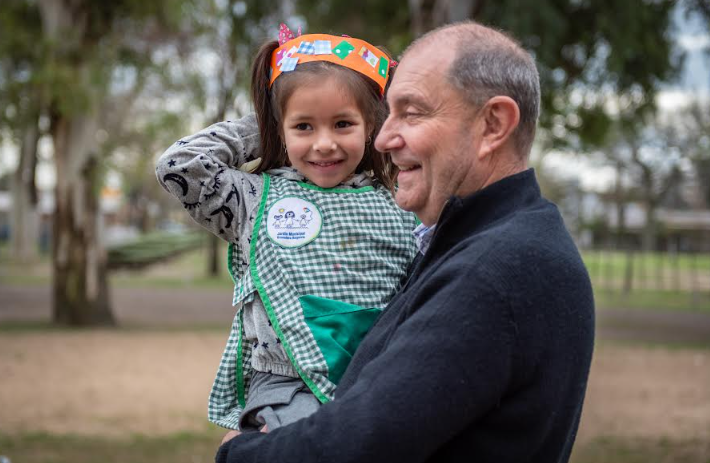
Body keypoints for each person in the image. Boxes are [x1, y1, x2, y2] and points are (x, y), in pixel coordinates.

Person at [215, 21, 595, 463]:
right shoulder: (486, 242)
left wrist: (241, 453)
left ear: (493, 124)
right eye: (388, 113)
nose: (383, 138)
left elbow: (362, 443)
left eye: (411, 113)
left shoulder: (500, 269)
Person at [155, 26, 418, 442]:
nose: (325, 144)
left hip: (377, 382)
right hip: (284, 389)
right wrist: (268, 122)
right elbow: (179, 166)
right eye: (305, 127)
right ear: (280, 129)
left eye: (343, 123)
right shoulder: (253, 201)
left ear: (371, 125)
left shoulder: (402, 202)